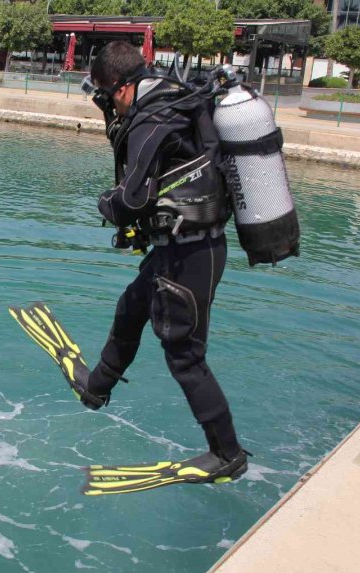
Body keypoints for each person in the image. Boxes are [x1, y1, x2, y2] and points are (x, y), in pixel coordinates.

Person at [83, 42, 246, 485]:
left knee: (185, 357)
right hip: (186, 245)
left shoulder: (151, 119)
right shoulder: (175, 98)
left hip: (189, 252)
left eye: (105, 94)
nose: (109, 105)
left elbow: (131, 199)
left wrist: (104, 204)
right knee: (132, 306)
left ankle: (226, 453)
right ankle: (97, 387)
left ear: (119, 87)